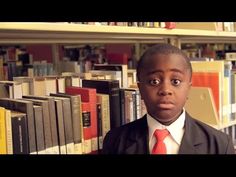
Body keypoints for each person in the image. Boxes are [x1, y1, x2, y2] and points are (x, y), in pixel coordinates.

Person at [102, 43, 235, 154]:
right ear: (140, 89)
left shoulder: (220, 145)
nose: (165, 90)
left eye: (175, 81)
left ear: (188, 88)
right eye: (154, 81)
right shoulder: (115, 141)